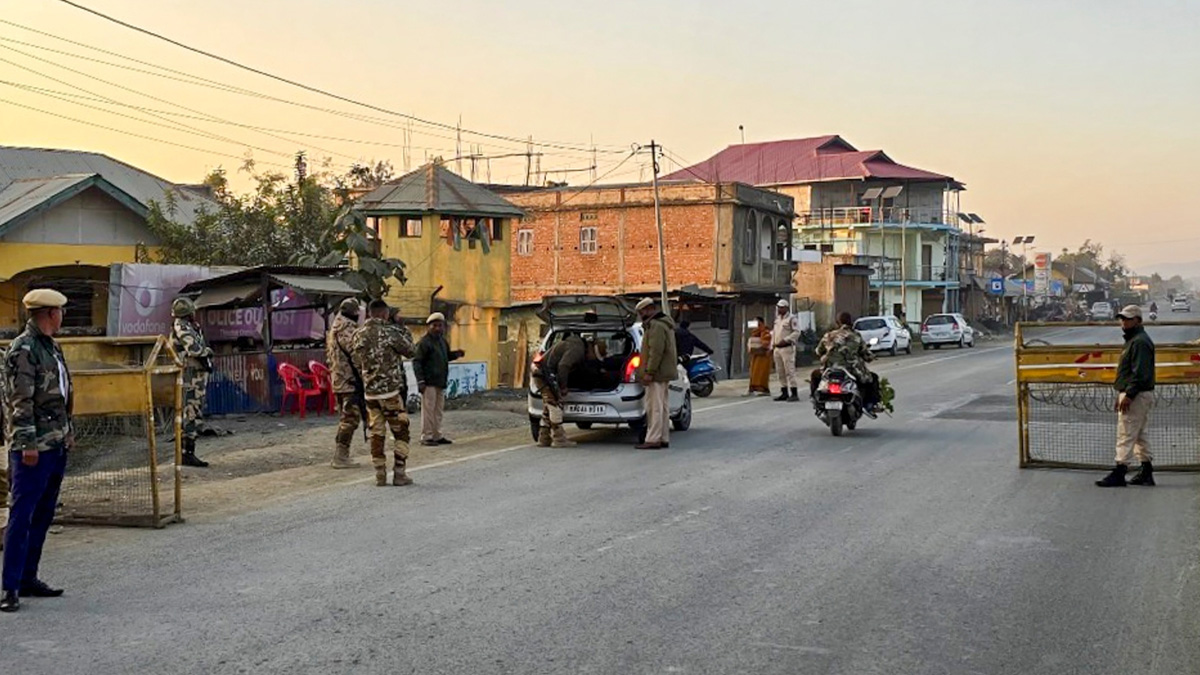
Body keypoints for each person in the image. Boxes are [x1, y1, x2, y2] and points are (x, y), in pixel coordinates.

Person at [2, 289, 73, 613]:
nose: (62, 316)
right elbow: (20, 402)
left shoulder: (51, 346)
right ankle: (10, 587)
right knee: (22, 515)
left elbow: (61, 394)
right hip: (33, 447)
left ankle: (28, 578)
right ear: (49, 313)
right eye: (60, 311)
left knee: (43, 513)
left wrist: (68, 432)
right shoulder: (24, 349)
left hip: (55, 443)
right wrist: (27, 444)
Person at [351, 300, 416, 487]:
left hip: (370, 393)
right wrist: (403, 330)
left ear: (370, 313)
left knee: (377, 433)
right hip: (390, 392)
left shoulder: (358, 334)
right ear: (385, 313)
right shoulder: (390, 332)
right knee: (401, 431)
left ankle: (380, 473)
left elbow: (356, 360)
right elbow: (411, 351)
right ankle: (399, 472)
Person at [1096, 305, 1156, 488]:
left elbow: (1139, 373)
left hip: (1136, 394)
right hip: (1137, 393)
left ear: (1137, 320)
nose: (1123, 322)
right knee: (1139, 434)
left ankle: (1120, 471)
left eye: (1128, 319)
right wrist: (1122, 393)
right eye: (1122, 319)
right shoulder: (1135, 340)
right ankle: (1146, 471)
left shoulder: (1139, 342)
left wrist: (1128, 394)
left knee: (1126, 432)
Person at [170, 297, 213, 468]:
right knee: (191, 413)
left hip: (196, 374)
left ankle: (188, 453)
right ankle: (186, 454)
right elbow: (194, 349)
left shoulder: (189, 326)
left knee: (195, 412)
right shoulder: (181, 327)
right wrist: (207, 351)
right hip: (190, 375)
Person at [812, 312, 880, 416]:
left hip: (829, 369)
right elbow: (866, 354)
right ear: (850, 322)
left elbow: (818, 351)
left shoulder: (829, 335)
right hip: (852, 369)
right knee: (872, 379)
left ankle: (815, 400)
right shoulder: (856, 336)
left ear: (837, 322)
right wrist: (871, 357)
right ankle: (870, 405)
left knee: (815, 375)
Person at [413, 312, 464, 447]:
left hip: (440, 381)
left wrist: (456, 354)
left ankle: (437, 435)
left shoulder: (442, 342)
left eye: (440, 325)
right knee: (428, 410)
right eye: (434, 325)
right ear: (429, 327)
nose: (437, 328)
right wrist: (420, 381)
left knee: (438, 410)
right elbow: (417, 362)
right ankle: (427, 436)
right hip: (428, 382)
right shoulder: (424, 343)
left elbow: (446, 356)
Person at [634, 298, 677, 450]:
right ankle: (663, 437)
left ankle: (653, 439)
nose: (641, 316)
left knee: (654, 407)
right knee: (662, 406)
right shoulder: (664, 324)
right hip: (663, 372)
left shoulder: (656, 326)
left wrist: (649, 372)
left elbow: (656, 351)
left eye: (642, 312)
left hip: (657, 373)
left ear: (650, 309)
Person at [326, 298, 363, 469]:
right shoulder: (346, 328)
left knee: (346, 418)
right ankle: (340, 456)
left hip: (340, 379)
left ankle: (341, 454)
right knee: (350, 418)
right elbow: (355, 354)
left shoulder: (335, 327)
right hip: (349, 381)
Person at [532, 332, 585, 448]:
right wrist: (563, 387)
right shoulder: (577, 348)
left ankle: (544, 437)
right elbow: (563, 366)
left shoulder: (568, 343)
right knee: (555, 405)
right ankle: (559, 438)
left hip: (540, 373)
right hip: (545, 375)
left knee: (549, 406)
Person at [771, 300, 801, 402]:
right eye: (779, 307)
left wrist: (786, 340)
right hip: (777, 348)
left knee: (789, 371)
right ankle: (784, 392)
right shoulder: (777, 319)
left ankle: (794, 392)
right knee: (780, 371)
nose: (780, 309)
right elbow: (774, 333)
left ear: (787, 308)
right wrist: (772, 345)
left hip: (787, 348)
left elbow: (797, 332)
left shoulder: (791, 319)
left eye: (782, 307)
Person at [747, 316, 772, 396]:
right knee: (753, 372)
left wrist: (761, 344)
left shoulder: (765, 331)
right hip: (755, 355)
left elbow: (766, 342)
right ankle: (753, 388)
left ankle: (763, 389)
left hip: (763, 356)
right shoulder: (754, 332)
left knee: (761, 372)